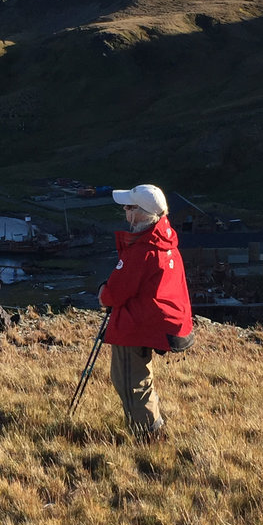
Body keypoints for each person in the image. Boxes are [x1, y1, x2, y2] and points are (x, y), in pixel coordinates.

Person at [99, 184, 195, 438]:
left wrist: (103, 293)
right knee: (137, 379)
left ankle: (147, 437)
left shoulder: (142, 250)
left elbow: (113, 294)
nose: (125, 213)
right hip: (153, 323)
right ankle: (150, 429)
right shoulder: (166, 241)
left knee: (130, 382)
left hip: (135, 327)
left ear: (141, 213)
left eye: (128, 208)